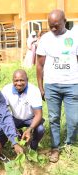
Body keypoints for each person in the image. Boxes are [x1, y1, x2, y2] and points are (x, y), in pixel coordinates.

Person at [36, 9, 78, 163]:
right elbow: (39, 65)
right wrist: (41, 87)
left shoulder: (74, 37)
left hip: (72, 84)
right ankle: (55, 147)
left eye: (56, 25)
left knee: (74, 119)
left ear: (64, 21)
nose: (53, 29)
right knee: (54, 118)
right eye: (50, 26)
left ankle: (69, 144)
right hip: (52, 85)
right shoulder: (45, 39)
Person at [2, 69, 45, 151]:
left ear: (27, 80)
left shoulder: (34, 90)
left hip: (31, 118)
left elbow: (38, 114)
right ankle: (14, 140)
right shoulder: (6, 90)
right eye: (16, 80)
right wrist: (13, 128)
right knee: (3, 124)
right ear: (12, 80)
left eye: (22, 80)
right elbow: (4, 112)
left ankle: (33, 145)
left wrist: (29, 129)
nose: (19, 83)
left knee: (40, 129)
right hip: (15, 118)